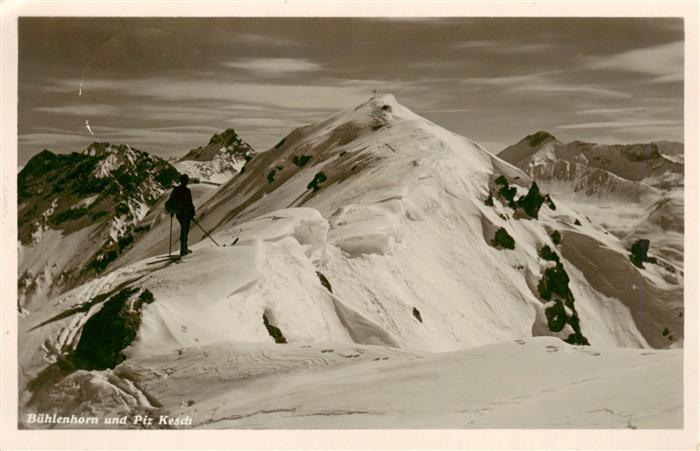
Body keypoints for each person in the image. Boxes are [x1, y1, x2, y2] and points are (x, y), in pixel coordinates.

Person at [165, 174, 195, 256]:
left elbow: (171, 201)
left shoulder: (176, 190)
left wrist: (172, 211)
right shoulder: (187, 191)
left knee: (184, 230)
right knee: (185, 230)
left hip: (179, 213)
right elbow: (190, 203)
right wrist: (192, 213)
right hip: (186, 214)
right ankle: (184, 249)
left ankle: (184, 248)